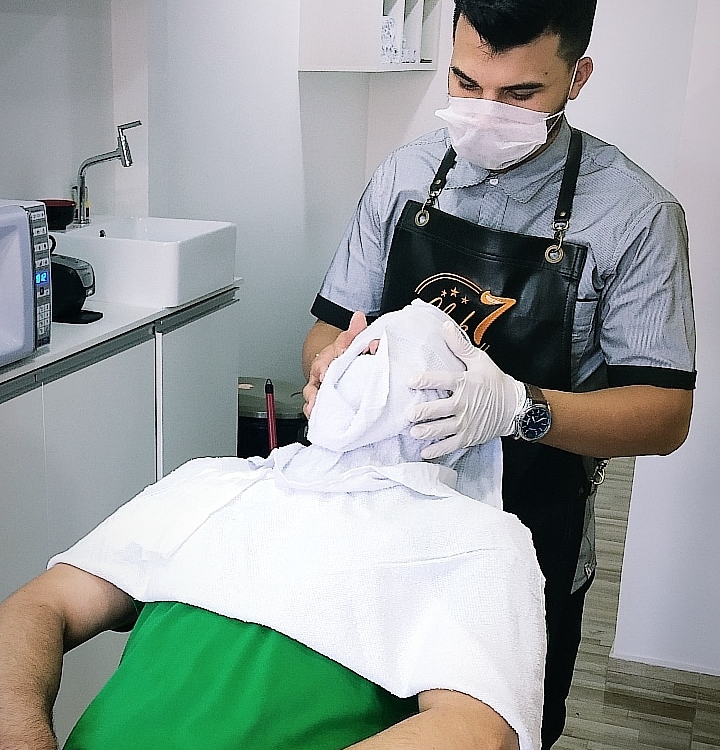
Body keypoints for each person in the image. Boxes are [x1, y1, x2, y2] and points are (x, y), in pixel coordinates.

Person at [303, 0, 696, 748]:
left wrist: (519, 409)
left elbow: (665, 416)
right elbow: (328, 328)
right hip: (385, 526)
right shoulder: (404, 177)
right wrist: (330, 369)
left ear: (577, 77)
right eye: (464, 81)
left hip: (528, 544)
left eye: (519, 93)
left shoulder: (636, 215)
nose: (483, 112)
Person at [0, 302, 546, 750]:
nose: (366, 352)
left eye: (401, 354)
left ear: (469, 407)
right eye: (366, 345)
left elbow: (477, 732)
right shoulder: (212, 483)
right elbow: (40, 605)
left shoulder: (478, 541)